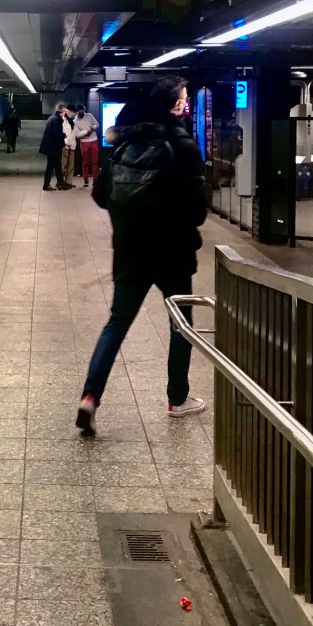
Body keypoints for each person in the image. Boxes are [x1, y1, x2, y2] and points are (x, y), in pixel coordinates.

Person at [76, 75, 207, 436]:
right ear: (177, 105)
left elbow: (101, 195)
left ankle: (90, 397)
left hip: (130, 252)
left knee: (116, 325)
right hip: (173, 254)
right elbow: (197, 211)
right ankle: (177, 398)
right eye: (184, 99)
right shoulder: (182, 144)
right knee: (180, 324)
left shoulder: (122, 143)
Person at [40, 104, 72, 191]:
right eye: (65, 111)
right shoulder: (57, 119)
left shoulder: (52, 117)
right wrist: (64, 135)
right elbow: (56, 134)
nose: (66, 113)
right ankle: (47, 185)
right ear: (61, 111)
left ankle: (60, 182)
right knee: (51, 166)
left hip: (51, 147)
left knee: (57, 165)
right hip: (53, 147)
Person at [74, 104, 100, 188]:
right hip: (84, 142)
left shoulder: (89, 115)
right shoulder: (75, 122)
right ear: (77, 112)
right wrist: (87, 131)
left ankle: (96, 180)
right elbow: (77, 135)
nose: (83, 113)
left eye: (83, 111)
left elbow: (97, 124)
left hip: (94, 140)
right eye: (80, 112)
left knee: (95, 161)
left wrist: (92, 127)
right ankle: (86, 180)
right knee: (85, 162)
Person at [61, 108, 77, 188]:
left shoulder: (72, 121)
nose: (71, 113)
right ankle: (60, 181)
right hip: (65, 146)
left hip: (72, 146)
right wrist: (66, 142)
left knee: (71, 166)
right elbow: (62, 133)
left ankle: (68, 182)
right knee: (64, 165)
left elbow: (75, 134)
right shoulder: (62, 121)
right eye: (68, 112)